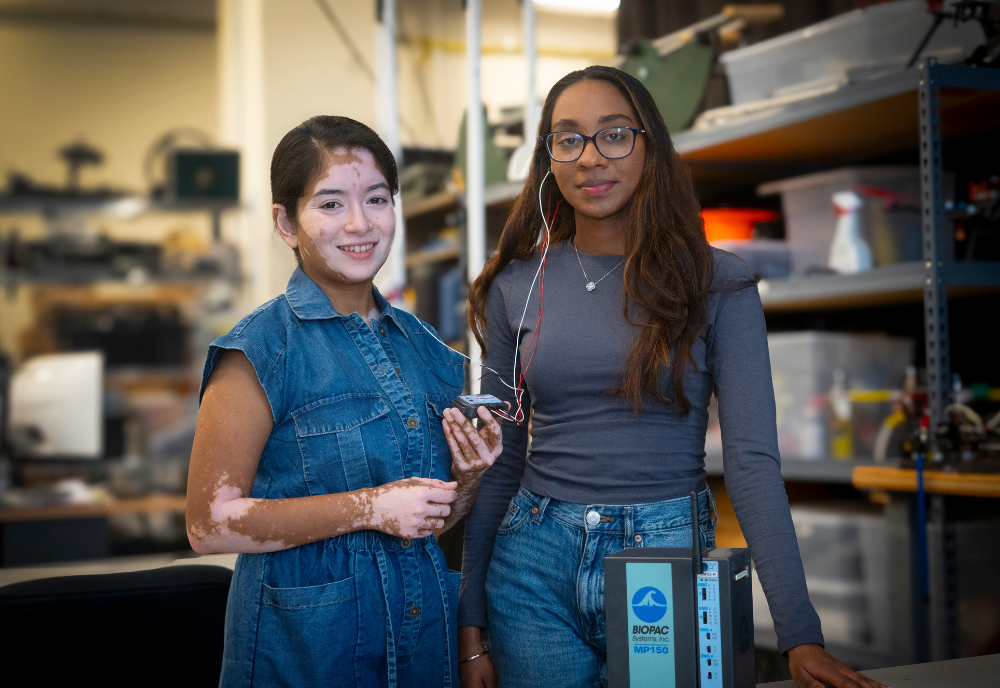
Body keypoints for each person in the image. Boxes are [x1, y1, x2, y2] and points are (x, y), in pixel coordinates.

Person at [456, 67, 889, 688]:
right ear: (547, 156)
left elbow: (751, 460)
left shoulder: (718, 282)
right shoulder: (515, 285)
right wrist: (471, 631)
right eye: (568, 139)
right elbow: (501, 456)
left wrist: (800, 635)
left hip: (664, 559)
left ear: (649, 146)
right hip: (532, 564)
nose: (590, 158)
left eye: (614, 135)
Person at [185, 115, 503, 688]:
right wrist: (372, 508)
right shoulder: (258, 350)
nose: (360, 223)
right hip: (308, 650)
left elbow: (430, 523)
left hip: (421, 641)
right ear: (286, 222)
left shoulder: (425, 348)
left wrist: (469, 478)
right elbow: (209, 525)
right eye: (330, 204)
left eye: (377, 199)